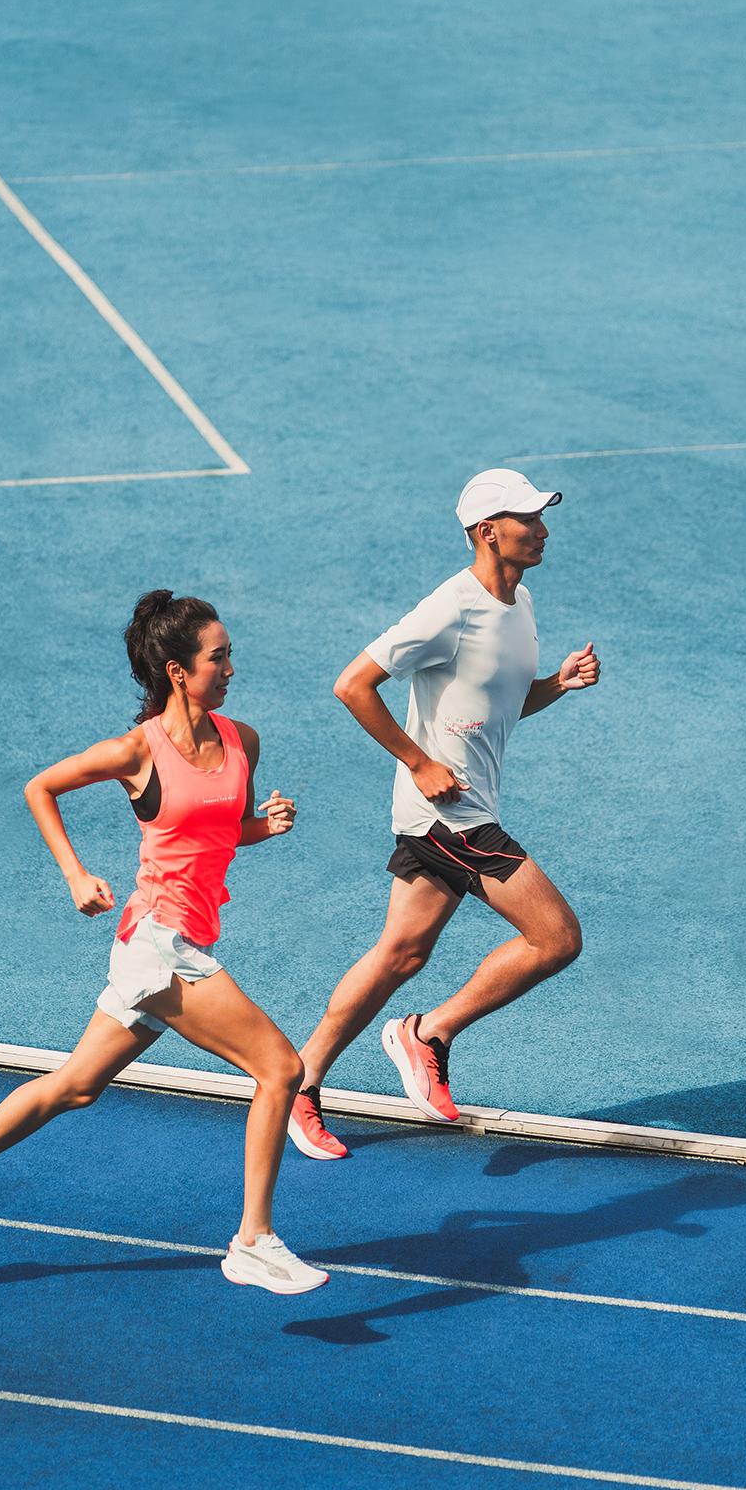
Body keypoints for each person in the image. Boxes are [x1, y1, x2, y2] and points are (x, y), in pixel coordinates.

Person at [0, 590, 328, 1293]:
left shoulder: (241, 741)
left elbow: (223, 831)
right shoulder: (137, 751)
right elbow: (41, 788)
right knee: (281, 1069)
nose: (230, 669)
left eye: (230, 656)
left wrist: (266, 826)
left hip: (180, 940)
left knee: (76, 1087)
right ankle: (253, 1241)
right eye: (217, 658)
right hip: (159, 944)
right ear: (177, 671)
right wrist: (76, 874)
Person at [287, 469, 600, 1160]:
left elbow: (501, 703)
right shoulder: (450, 608)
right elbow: (353, 685)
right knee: (556, 937)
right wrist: (418, 761)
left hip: (457, 810)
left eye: (542, 517)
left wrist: (558, 684)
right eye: (528, 520)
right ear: (488, 532)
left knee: (401, 953)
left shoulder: (519, 603)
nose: (543, 530)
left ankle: (298, 1082)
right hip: (450, 816)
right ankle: (428, 1032)